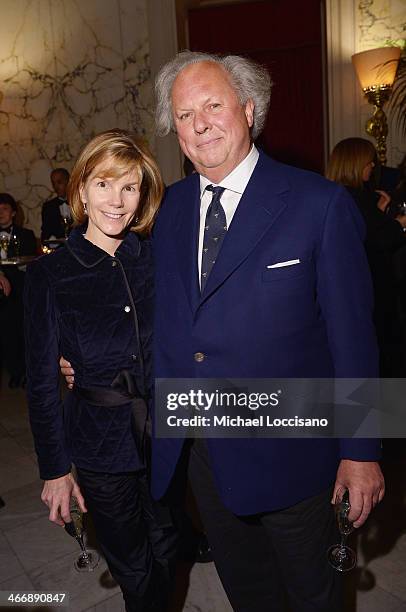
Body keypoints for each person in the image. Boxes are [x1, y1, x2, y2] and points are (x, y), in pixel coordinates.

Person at [63, 52, 385, 611]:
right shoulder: (167, 209)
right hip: (206, 455)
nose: (199, 123)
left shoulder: (320, 204)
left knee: (315, 598)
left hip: (298, 454)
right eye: (184, 115)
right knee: (249, 595)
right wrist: (82, 356)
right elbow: (144, 313)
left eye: (213, 105)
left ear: (248, 108)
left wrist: (362, 452)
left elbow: (355, 340)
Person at [25, 130, 177, 612]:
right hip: (99, 444)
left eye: (130, 187)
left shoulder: (156, 260)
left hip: (168, 434)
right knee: (133, 564)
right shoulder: (50, 274)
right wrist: (54, 470)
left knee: (171, 546)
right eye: (105, 184)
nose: (117, 200)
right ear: (82, 190)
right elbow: (41, 384)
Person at [326, 138, 406, 376]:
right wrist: (400, 224)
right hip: (371, 286)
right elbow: (382, 237)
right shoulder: (357, 198)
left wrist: (381, 214)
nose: (372, 167)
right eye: (369, 162)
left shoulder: (332, 195)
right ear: (357, 163)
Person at [0, 193, 37, 387]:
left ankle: (27, 372)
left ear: (13, 213)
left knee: (24, 331)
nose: (1, 213)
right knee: (7, 333)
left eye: (5, 208)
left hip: (21, 288)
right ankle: (14, 372)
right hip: (1, 293)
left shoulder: (26, 235)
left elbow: (31, 262)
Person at [41, 168, 71, 241]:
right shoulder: (48, 207)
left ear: (69, 181)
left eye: (59, 182)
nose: (56, 187)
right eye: (53, 183)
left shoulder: (80, 203)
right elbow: (45, 232)